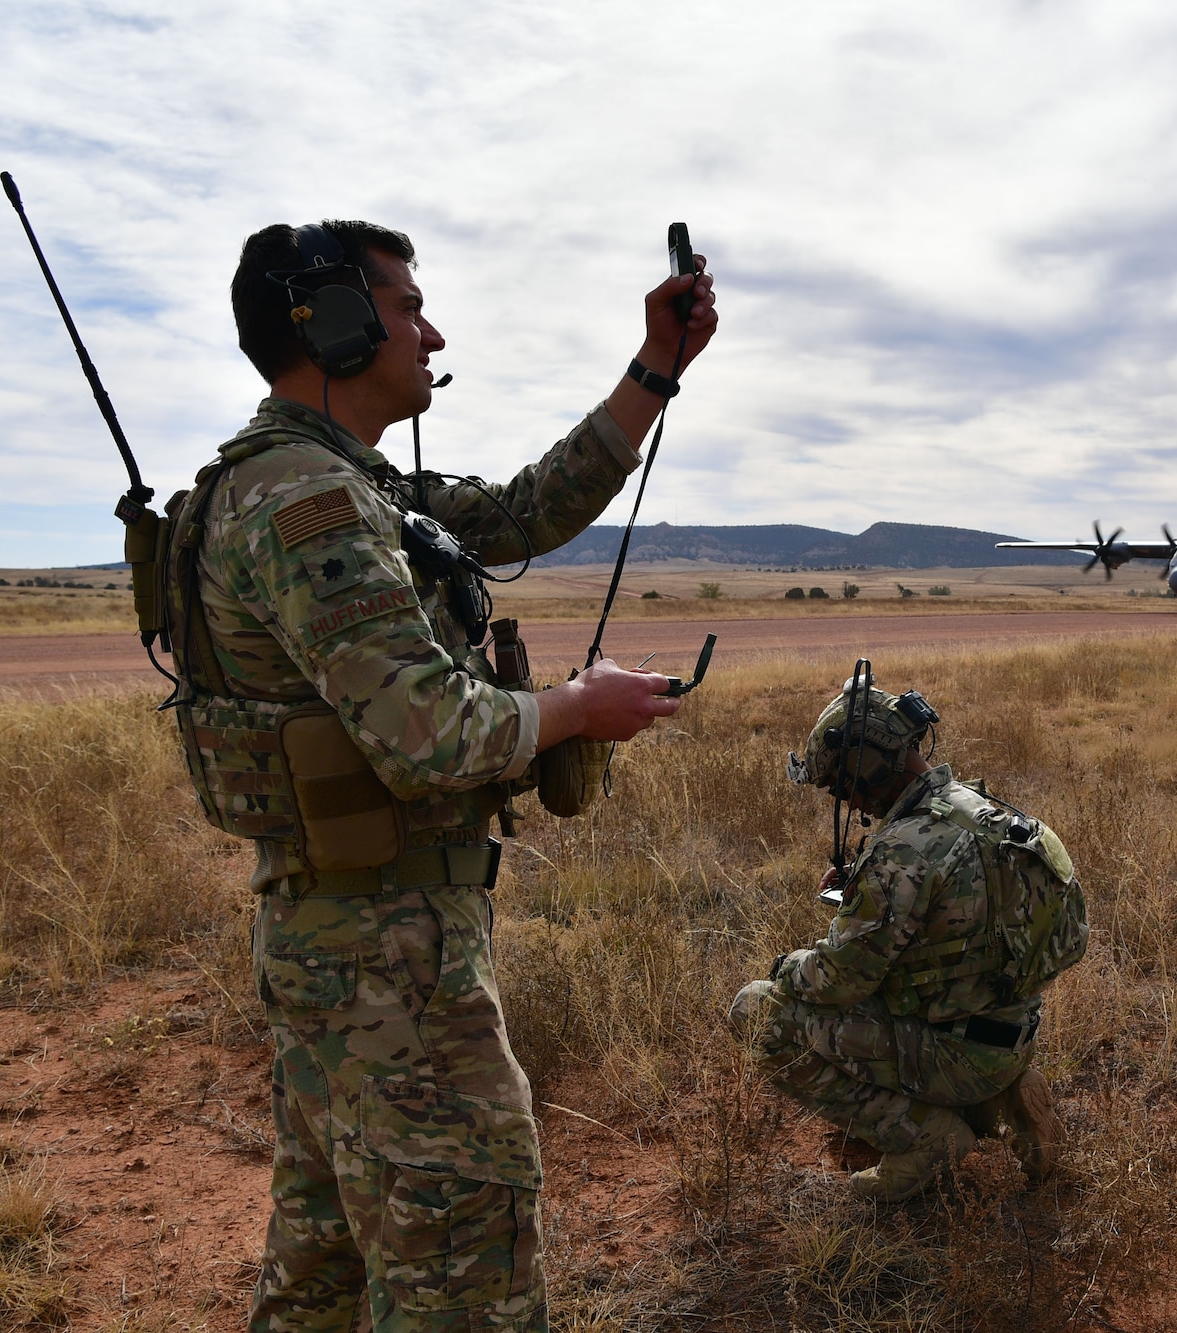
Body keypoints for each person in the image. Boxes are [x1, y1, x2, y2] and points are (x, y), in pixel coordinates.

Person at [168, 217, 716, 1332]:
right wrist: (579, 708)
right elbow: (430, 735)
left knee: (322, 1270)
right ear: (331, 320)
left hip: (353, 943)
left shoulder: (356, 486)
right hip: (388, 967)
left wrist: (653, 369)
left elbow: (523, 512)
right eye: (408, 307)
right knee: (467, 1274)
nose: (431, 331)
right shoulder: (302, 503)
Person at [729, 672, 1086, 1201]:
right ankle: (1004, 1099)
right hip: (1012, 1036)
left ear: (867, 764)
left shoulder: (904, 851)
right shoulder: (988, 813)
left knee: (756, 1009)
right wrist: (866, 887)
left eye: (841, 784)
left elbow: (838, 978)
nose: (848, 802)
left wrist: (786, 965)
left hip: (951, 1054)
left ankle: (925, 1138)